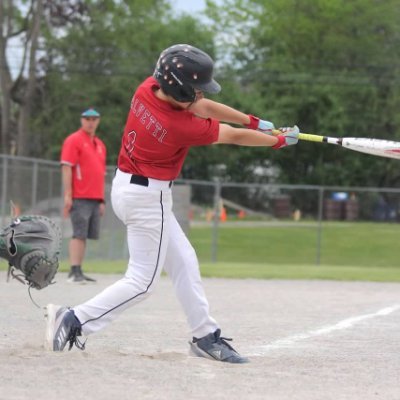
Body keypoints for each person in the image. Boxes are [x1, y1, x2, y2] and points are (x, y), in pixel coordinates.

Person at [46, 44, 299, 363]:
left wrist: (255, 121)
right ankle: (74, 319)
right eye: (195, 89)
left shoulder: (147, 88)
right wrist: (276, 141)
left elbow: (205, 106)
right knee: (142, 282)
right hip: (148, 198)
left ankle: (204, 335)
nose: (200, 94)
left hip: (128, 187)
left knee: (184, 261)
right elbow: (230, 134)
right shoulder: (177, 126)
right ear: (180, 88)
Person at [60, 108, 107, 283]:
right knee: (78, 234)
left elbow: (100, 173)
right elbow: (67, 167)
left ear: (98, 121)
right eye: (87, 118)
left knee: (85, 235)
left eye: (94, 118)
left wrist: (101, 199)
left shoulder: (100, 145)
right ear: (81, 120)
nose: (91, 122)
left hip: (95, 197)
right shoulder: (74, 140)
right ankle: (73, 271)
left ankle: (79, 269)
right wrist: (68, 194)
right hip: (80, 196)